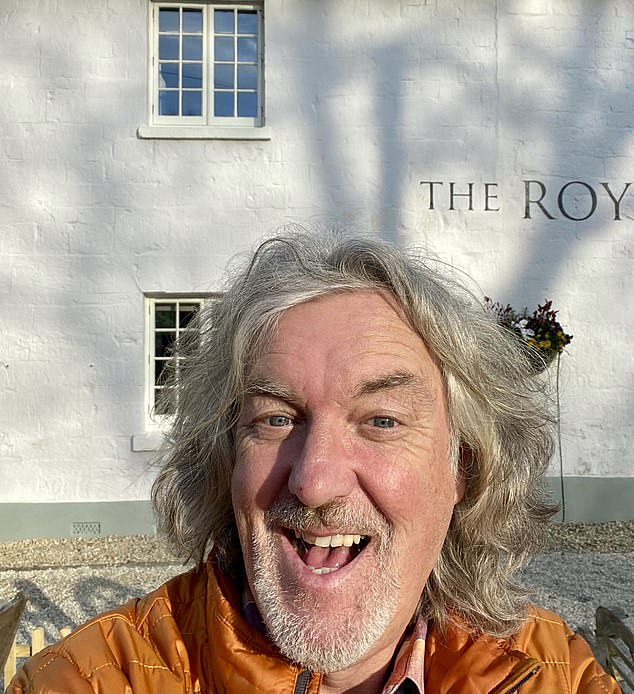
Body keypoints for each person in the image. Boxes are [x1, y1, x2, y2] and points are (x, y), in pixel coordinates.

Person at [10, 232, 619, 693]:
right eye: (276, 419)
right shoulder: (88, 679)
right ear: (224, 460)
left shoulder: (554, 673)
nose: (315, 480)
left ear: (462, 467)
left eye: (381, 420)